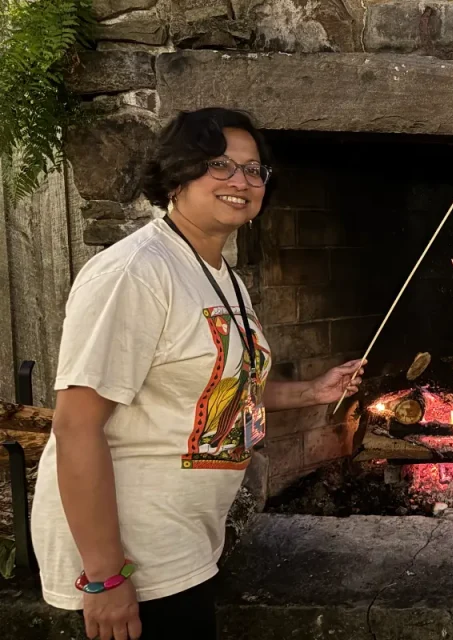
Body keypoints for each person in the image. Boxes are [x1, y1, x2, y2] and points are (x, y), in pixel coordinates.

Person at [30, 108, 365, 640]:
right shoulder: (135, 272)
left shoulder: (220, 276)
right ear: (177, 174)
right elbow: (75, 426)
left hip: (181, 545)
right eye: (220, 165)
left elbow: (221, 394)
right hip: (130, 558)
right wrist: (105, 577)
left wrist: (311, 391)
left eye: (255, 170)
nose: (242, 181)